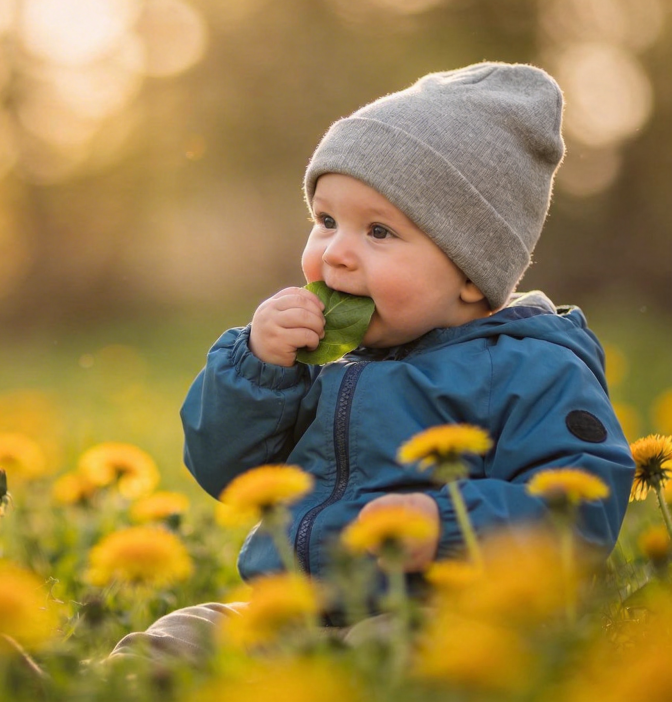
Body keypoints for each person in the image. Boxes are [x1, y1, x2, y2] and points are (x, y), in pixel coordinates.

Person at [109, 61, 635, 664]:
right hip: (297, 612)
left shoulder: (531, 367)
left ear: (471, 275)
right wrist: (259, 369)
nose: (336, 254)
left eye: (378, 232)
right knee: (189, 631)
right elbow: (223, 469)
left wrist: (447, 525)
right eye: (326, 221)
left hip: (441, 614)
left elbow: (582, 510)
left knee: (401, 650)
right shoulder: (318, 354)